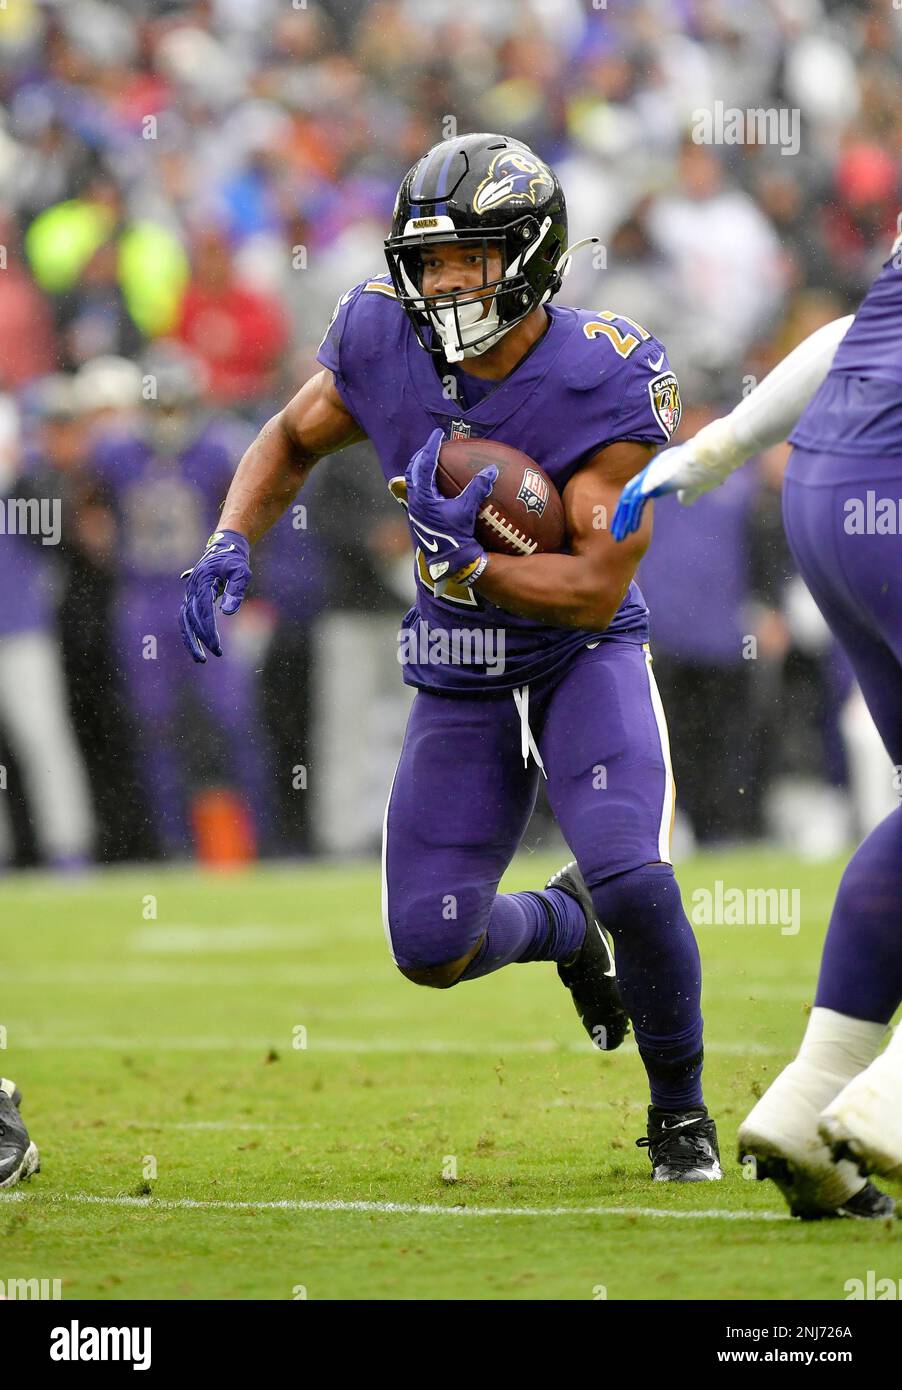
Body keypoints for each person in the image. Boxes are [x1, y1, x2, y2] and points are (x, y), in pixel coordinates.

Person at [180, 133, 722, 1181]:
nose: (440, 282)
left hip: (579, 657)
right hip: (455, 665)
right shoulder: (382, 340)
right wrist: (230, 535)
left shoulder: (605, 373)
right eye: (425, 261)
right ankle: (562, 928)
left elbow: (593, 584)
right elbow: (290, 438)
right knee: (430, 946)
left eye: (464, 258)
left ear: (526, 253)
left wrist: (469, 566)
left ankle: (678, 1113)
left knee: (634, 877)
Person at [611, 219, 902, 1217]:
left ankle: (809, 1092)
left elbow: (855, 335)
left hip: (828, 489)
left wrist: (720, 446)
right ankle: (889, 1094)